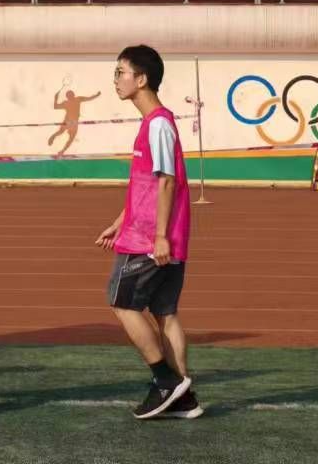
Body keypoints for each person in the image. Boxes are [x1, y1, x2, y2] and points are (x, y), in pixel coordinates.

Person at [96, 44, 197, 420]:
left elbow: (167, 181)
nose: (116, 80)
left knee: (121, 303)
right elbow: (147, 185)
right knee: (165, 313)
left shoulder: (157, 124)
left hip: (150, 239)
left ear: (142, 79)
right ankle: (183, 397)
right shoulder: (154, 124)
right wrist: (119, 220)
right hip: (155, 234)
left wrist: (159, 237)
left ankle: (166, 381)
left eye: (120, 72)